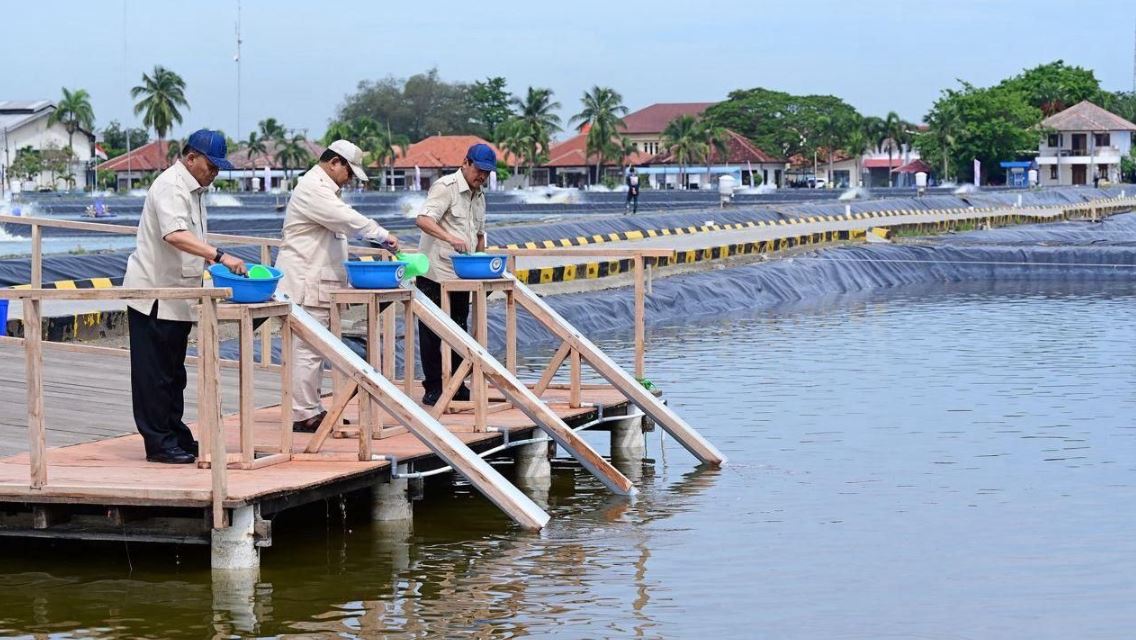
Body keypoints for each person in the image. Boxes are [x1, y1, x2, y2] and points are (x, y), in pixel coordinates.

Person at [125, 129, 247, 464]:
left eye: (218, 168)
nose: (215, 173)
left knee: (174, 373)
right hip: (154, 295)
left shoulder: (194, 190)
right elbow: (175, 235)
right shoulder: (170, 186)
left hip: (178, 294)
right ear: (190, 157)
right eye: (211, 165)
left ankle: (174, 432)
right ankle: (158, 442)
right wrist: (220, 256)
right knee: (154, 374)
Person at [275, 140, 398, 432]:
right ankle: (304, 413)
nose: (351, 178)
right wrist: (382, 235)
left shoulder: (324, 189)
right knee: (306, 350)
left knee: (314, 350)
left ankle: (312, 409)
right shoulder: (314, 189)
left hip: (316, 281)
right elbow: (347, 219)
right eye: (350, 172)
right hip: (305, 280)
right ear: (334, 163)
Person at [414, 143, 494, 406]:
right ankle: (434, 387)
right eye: (479, 170)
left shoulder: (479, 196)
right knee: (431, 331)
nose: (481, 176)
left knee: (460, 329)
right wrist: (449, 237)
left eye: (486, 173)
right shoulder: (445, 187)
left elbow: (479, 234)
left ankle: (458, 384)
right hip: (436, 272)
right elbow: (424, 220)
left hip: (462, 275)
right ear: (466, 163)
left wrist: (483, 264)